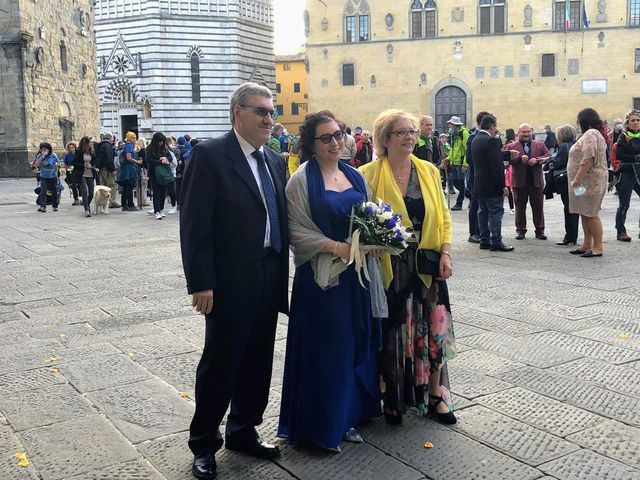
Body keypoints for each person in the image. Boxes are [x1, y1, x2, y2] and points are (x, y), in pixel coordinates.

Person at [180, 82, 288, 480]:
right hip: (227, 281)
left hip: (269, 271)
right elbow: (194, 224)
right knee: (221, 363)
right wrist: (200, 282)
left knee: (258, 359)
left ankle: (244, 430)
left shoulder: (275, 160)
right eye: (260, 111)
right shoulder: (210, 155)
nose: (268, 119)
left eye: (271, 112)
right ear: (237, 113)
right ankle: (204, 444)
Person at [278, 111, 381, 453]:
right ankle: (322, 425)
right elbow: (293, 230)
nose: (336, 142)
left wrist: (376, 240)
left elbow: (368, 216)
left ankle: (348, 417)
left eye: (338, 134)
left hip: (356, 277)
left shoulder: (354, 175)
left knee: (352, 343)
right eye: (326, 138)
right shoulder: (301, 181)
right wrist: (334, 246)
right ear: (311, 145)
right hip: (322, 281)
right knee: (327, 348)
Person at [360, 110, 456, 426]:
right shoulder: (367, 173)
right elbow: (359, 218)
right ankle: (392, 397)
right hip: (390, 265)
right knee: (393, 331)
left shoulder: (428, 170)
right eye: (400, 132)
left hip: (427, 261)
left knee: (434, 328)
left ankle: (435, 395)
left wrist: (446, 252)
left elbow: (443, 216)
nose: (409, 137)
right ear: (384, 138)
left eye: (412, 131)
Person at [568, 108, 609, 258]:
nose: (578, 123)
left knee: (592, 214)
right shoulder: (591, 134)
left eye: (579, 120)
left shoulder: (591, 134)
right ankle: (586, 245)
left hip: (590, 182)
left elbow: (589, 157)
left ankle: (598, 247)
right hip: (585, 184)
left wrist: (578, 178)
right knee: (585, 213)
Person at [472, 114, 514, 252]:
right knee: (496, 212)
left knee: (482, 212)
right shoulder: (492, 141)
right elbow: (496, 166)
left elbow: (487, 157)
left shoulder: (476, 139)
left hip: (479, 183)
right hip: (492, 185)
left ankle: (484, 240)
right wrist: (504, 186)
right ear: (492, 126)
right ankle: (496, 241)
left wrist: (506, 154)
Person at [506, 123, 551, 240]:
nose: (526, 134)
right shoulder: (511, 146)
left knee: (538, 207)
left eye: (528, 132)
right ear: (518, 133)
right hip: (519, 182)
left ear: (532, 131)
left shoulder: (540, 144)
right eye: (523, 132)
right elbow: (505, 160)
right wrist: (519, 159)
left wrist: (537, 160)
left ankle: (540, 230)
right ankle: (520, 231)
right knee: (520, 208)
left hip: (536, 182)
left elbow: (548, 156)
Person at [549, 125, 579, 245]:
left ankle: (569, 236)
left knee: (568, 208)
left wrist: (550, 163)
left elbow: (559, 162)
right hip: (577, 180)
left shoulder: (563, 146)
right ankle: (573, 236)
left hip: (567, 181)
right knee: (575, 209)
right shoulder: (575, 144)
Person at [614, 109, 640, 241]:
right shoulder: (624, 136)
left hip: (639, 172)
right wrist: (635, 157)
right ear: (627, 123)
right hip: (627, 172)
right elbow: (619, 155)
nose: (635, 123)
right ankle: (621, 231)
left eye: (638, 120)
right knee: (624, 204)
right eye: (633, 120)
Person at [465, 111, 491, 243]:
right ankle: (473, 232)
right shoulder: (472, 137)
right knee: (474, 204)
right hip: (475, 176)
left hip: (482, 176)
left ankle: (482, 231)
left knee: (482, 204)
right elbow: (469, 158)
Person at [147, 132, 173, 219]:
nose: (161, 143)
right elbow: (148, 160)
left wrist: (166, 158)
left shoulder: (165, 148)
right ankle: (157, 211)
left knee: (163, 192)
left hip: (163, 173)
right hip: (154, 173)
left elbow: (170, 157)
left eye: (162, 141)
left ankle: (161, 209)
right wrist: (160, 161)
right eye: (159, 141)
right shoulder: (150, 148)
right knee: (156, 192)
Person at [70, 136, 98, 217]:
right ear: (86, 143)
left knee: (91, 192)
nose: (92, 143)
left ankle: (86, 204)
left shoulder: (92, 152)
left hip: (90, 174)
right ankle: (87, 209)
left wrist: (93, 165)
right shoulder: (79, 152)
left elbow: (94, 161)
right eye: (90, 142)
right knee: (85, 191)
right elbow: (74, 163)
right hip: (81, 174)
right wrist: (83, 165)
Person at [446, 116, 469, 211]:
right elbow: (453, 149)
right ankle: (472, 196)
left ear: (455, 125)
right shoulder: (454, 134)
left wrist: (465, 164)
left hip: (461, 163)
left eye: (450, 123)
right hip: (454, 162)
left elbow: (468, 149)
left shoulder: (464, 134)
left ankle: (459, 203)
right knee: (456, 183)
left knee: (460, 183)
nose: (449, 125)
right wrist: (448, 159)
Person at [117, 131, 142, 212]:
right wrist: (137, 162)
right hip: (129, 169)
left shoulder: (126, 146)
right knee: (129, 187)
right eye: (133, 138)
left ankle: (124, 205)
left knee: (125, 187)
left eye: (135, 138)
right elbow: (128, 157)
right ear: (129, 138)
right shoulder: (129, 146)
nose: (135, 139)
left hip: (126, 168)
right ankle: (130, 205)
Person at [95, 133, 120, 209]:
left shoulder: (100, 145)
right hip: (107, 169)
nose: (113, 140)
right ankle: (112, 201)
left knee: (104, 185)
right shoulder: (107, 146)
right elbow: (109, 158)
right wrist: (113, 169)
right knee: (112, 185)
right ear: (109, 138)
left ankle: (103, 201)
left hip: (101, 168)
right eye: (112, 138)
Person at [34, 142, 61, 212]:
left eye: (45, 149)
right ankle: (43, 206)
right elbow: (36, 165)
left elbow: (59, 164)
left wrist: (57, 164)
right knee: (43, 191)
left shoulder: (53, 155)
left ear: (49, 149)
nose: (44, 151)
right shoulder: (39, 156)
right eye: (42, 149)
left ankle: (55, 206)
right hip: (43, 176)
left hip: (53, 176)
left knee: (54, 191)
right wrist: (41, 157)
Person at [502, 129, 516, 214]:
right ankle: (510, 207)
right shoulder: (507, 142)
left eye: (505, 133)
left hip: (508, 168)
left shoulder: (511, 143)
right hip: (505, 167)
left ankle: (512, 207)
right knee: (506, 186)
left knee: (508, 187)